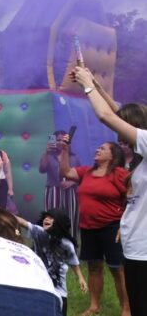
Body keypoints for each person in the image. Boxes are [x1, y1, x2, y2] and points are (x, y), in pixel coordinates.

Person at [73, 66, 146, 315]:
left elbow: (107, 116)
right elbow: (115, 113)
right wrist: (96, 82)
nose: (119, 137)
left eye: (125, 129)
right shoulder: (137, 155)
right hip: (134, 244)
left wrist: (86, 85)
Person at [58, 135, 130, 316]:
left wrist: (125, 225)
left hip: (112, 228)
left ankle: (126, 310)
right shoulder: (86, 172)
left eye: (103, 148)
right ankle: (94, 306)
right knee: (94, 267)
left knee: (117, 270)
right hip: (88, 229)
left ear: (113, 156)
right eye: (98, 147)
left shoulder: (119, 174)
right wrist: (65, 150)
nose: (98, 150)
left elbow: (133, 199)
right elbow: (66, 172)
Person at [15, 209, 87, 316]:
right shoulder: (39, 232)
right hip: (39, 284)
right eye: (46, 216)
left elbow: (73, 262)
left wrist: (81, 278)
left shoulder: (66, 244)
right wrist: (4, 215)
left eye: (51, 218)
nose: (46, 219)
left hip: (59, 290)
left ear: (59, 223)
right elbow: (23, 222)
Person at [40, 130, 81, 242]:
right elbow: (42, 169)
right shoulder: (49, 155)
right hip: (52, 189)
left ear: (68, 142)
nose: (60, 142)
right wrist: (46, 152)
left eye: (63, 140)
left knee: (71, 219)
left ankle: (70, 247)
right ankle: (51, 245)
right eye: (57, 140)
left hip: (70, 191)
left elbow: (80, 176)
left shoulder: (74, 157)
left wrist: (71, 182)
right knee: (51, 218)